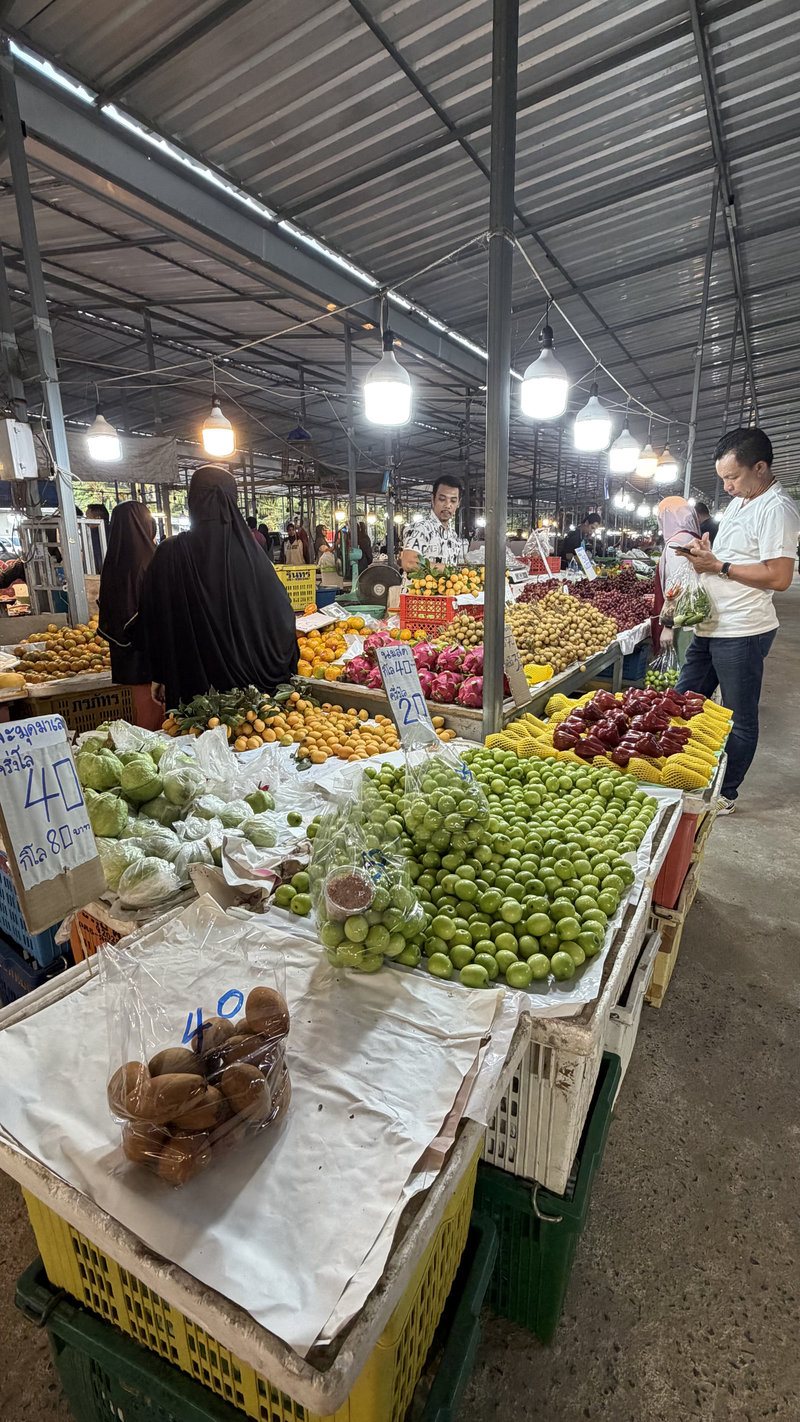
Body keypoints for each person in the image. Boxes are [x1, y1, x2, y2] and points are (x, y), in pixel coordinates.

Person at [676, 427, 800, 812]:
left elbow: (779, 577)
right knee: (682, 700)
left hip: (743, 630)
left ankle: (725, 794)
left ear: (759, 467)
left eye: (732, 477)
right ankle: (684, 773)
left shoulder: (776, 509)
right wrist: (707, 552)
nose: (727, 486)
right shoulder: (740, 502)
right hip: (712, 625)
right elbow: (734, 556)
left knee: (738, 716)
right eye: (723, 478)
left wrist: (720, 566)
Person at [133, 465, 298, 712]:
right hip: (255, 706)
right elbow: (283, 618)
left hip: (195, 698)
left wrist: (159, 673)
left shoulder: (170, 553)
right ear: (233, 501)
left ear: (193, 500)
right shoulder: (254, 557)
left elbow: (154, 619)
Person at [97, 502, 163, 730]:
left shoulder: (113, 560)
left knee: (143, 706)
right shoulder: (150, 559)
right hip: (148, 650)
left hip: (125, 651)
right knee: (155, 712)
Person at [651, 497, 702, 654]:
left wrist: (668, 626)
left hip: (681, 622)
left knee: (680, 662)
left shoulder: (676, 543)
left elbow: (676, 586)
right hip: (694, 616)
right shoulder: (694, 540)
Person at [399, 477, 467, 571]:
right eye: (442, 499)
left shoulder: (453, 535)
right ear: (433, 499)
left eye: (453, 501)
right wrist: (446, 569)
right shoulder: (420, 528)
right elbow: (409, 563)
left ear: (458, 503)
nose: (447, 505)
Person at [85, 502, 110, 571]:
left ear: (97, 518)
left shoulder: (94, 533)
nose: (85, 521)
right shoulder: (115, 530)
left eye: (87, 517)